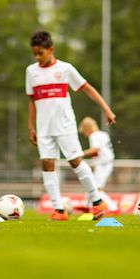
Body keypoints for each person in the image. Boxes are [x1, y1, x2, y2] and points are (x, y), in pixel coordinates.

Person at [26, 31, 116, 221]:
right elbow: (32, 100)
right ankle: (59, 209)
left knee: (75, 161)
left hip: (65, 126)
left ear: (51, 49)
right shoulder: (31, 71)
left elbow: (87, 89)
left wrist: (106, 109)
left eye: (40, 53)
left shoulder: (65, 69)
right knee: (47, 164)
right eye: (34, 54)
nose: (37, 57)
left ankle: (97, 201)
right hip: (43, 128)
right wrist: (31, 126)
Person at [78, 117, 119, 213]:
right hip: (106, 163)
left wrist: (80, 154)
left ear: (87, 129)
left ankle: (113, 208)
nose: (85, 134)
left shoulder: (94, 136)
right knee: (92, 184)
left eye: (84, 131)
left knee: (97, 188)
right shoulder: (103, 134)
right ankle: (87, 206)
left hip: (103, 164)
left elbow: (95, 150)